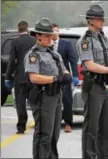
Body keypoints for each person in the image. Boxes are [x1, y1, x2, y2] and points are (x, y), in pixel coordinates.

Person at [76, 4, 108, 159]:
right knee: (91, 127)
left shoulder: (104, 38)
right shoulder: (85, 41)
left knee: (106, 126)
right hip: (93, 86)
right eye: (99, 18)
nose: (102, 21)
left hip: (105, 86)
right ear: (90, 20)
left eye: (102, 18)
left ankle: (104, 156)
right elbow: (89, 65)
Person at [24, 17, 72, 159]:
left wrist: (66, 75)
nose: (49, 38)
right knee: (43, 135)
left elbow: (63, 69)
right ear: (37, 36)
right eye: (46, 35)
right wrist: (55, 78)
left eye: (51, 35)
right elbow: (33, 77)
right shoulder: (34, 55)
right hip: (43, 97)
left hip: (56, 95)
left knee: (54, 135)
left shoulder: (54, 54)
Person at [5, 20, 36, 134]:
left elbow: (12, 60)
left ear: (18, 29)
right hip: (33, 76)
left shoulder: (15, 42)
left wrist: (8, 76)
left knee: (20, 102)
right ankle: (39, 123)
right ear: (27, 29)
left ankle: (21, 126)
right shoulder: (34, 40)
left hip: (20, 77)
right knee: (35, 101)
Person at [52, 23, 79, 133]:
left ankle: (68, 123)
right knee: (52, 99)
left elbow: (73, 60)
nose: (55, 33)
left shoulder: (66, 44)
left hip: (64, 76)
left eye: (57, 30)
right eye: (53, 31)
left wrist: (75, 75)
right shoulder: (46, 44)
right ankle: (54, 122)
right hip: (51, 76)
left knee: (67, 99)